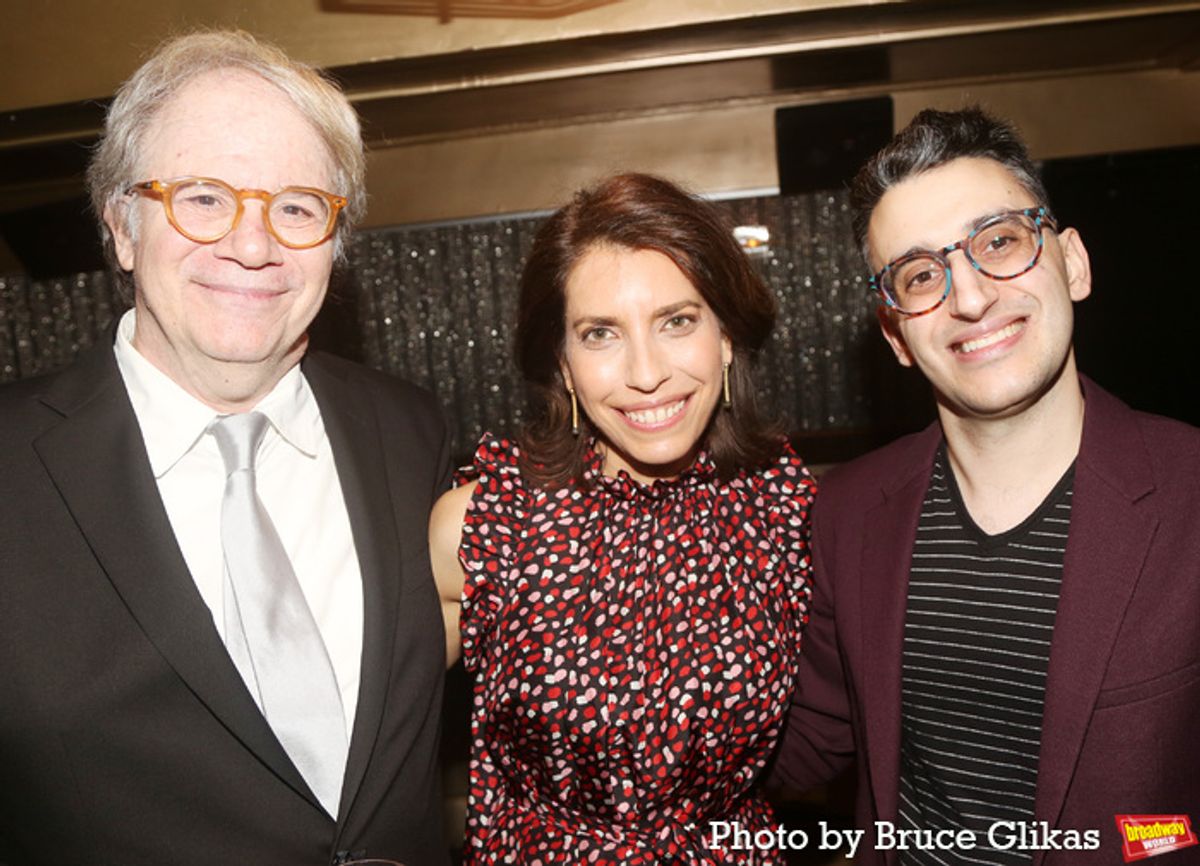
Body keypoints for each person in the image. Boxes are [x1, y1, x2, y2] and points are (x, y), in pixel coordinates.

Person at [0, 31, 451, 865]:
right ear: (123, 228)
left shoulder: (410, 430)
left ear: (334, 239)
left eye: (296, 206)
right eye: (202, 197)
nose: (253, 245)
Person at [771, 107, 1200, 864]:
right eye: (921, 275)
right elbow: (803, 743)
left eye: (999, 241)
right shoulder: (846, 512)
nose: (969, 298)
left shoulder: (1191, 492)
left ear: (1072, 262)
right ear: (897, 335)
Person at [428, 172, 817, 863]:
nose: (646, 373)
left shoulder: (788, 512)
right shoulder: (483, 528)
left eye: (677, 321)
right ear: (564, 363)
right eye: (601, 333)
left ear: (726, 335)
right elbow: (355, 738)